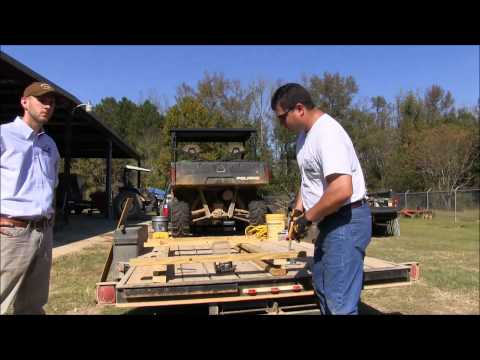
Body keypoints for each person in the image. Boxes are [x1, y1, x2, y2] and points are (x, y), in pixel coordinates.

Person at [271, 83, 372, 315]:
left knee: (340, 303)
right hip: (330, 222)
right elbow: (309, 180)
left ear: (299, 109)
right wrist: (297, 211)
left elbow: (341, 189)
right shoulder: (304, 137)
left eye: (282, 118)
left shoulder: (327, 133)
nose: (281, 124)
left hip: (347, 220)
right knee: (324, 289)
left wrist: (307, 219)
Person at [1, 82, 60, 315]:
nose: (48, 105)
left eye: (52, 102)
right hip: (11, 232)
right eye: (42, 100)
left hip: (43, 233)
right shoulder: (4, 135)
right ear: (24, 102)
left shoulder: (49, 145)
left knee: (33, 306)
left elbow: (51, 185)